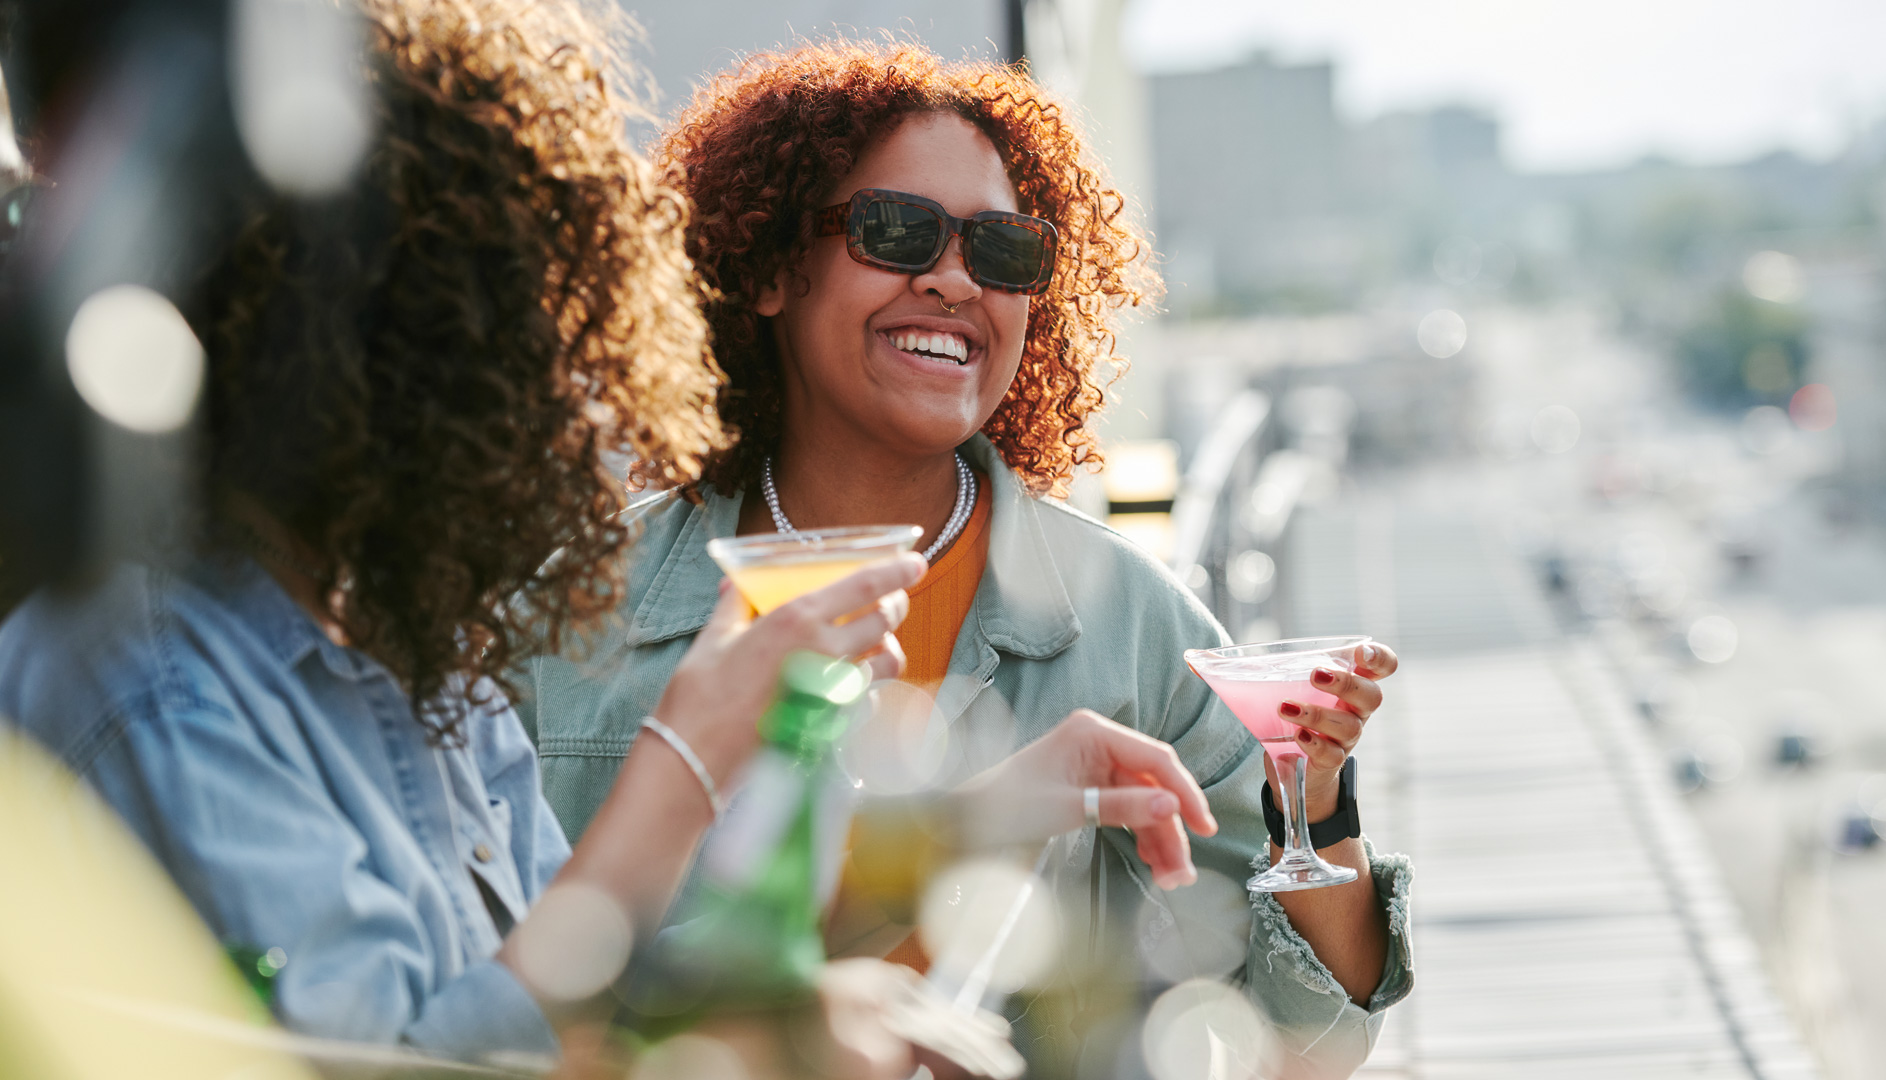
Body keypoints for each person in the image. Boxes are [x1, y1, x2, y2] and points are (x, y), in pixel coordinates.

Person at [0, 0, 929, 1068]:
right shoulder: (153, 679)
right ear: (384, 348)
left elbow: (567, 991)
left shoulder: (419, 652)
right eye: (538, 338)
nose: (584, 402)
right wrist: (683, 759)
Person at [522, 40, 1413, 1078]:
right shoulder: (569, 614)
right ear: (766, 268)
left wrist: (1314, 803)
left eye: (1001, 252)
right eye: (894, 231)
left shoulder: (1130, 620)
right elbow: (503, 1010)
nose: (952, 278)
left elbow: (1310, 1037)